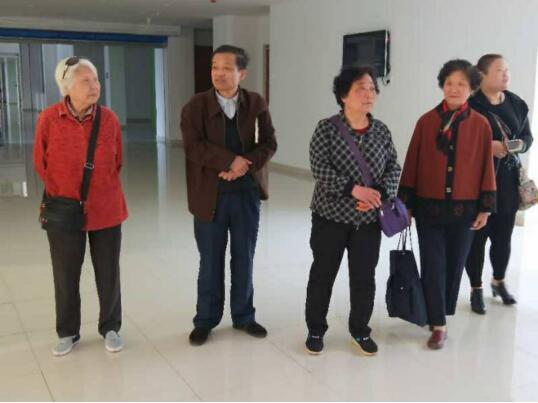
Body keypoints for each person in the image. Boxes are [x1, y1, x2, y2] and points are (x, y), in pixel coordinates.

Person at [181, 45, 277, 345]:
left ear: (242, 73)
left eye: (226, 68)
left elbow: (269, 143)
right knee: (210, 260)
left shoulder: (255, 103)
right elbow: (193, 146)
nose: (218, 73)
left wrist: (244, 164)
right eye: (214, 67)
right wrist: (228, 161)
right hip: (209, 195)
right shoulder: (196, 106)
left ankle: (244, 316)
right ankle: (205, 320)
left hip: (246, 192)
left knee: (244, 257)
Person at [398, 59, 496, 350]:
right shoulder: (426, 122)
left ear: (472, 88)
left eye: (461, 84)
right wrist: (406, 205)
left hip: (465, 211)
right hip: (429, 210)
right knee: (433, 264)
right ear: (442, 85)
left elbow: (486, 167)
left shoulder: (481, 125)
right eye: (449, 83)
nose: (454, 88)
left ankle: (440, 310)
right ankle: (438, 323)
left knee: (454, 266)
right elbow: (412, 163)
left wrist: (485, 207)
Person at [33, 56, 128, 356]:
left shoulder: (109, 119)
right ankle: (68, 332)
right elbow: (41, 163)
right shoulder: (49, 119)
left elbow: (117, 161)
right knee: (65, 274)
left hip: (106, 208)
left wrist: (97, 189)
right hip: (64, 210)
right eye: (86, 81)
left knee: (108, 273)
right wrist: (66, 191)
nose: (94, 86)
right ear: (66, 87)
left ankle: (110, 327)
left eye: (96, 79)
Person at [305, 66, 401, 355]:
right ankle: (316, 329)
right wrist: (354, 190)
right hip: (330, 218)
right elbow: (320, 168)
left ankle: (360, 330)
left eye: (372, 89)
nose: (368, 94)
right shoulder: (326, 128)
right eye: (361, 89)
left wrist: (377, 194)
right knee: (323, 274)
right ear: (343, 96)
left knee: (364, 277)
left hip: (368, 221)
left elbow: (393, 167)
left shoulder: (381, 130)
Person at [465, 54, 534, 314]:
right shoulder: (470, 106)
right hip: (478, 183)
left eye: (507, 70)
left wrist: (518, 145)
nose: (506, 74)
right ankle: (476, 288)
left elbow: (527, 137)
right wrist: (488, 147)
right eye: (499, 70)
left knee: (503, 238)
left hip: (507, 182)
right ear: (482, 75)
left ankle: (499, 281)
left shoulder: (516, 103)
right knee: (477, 239)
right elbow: (460, 142)